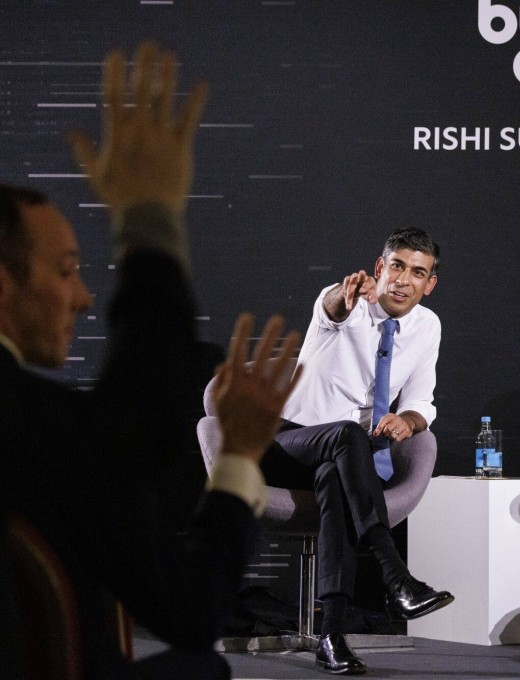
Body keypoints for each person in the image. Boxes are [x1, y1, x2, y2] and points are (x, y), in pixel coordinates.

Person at [1, 42, 303, 679]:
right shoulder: (43, 437)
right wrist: (150, 220)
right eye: (64, 270)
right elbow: (192, 608)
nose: (84, 298)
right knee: (205, 669)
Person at [260, 228, 453, 675]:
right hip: (287, 443)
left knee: (336, 477)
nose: (404, 281)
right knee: (347, 435)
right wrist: (343, 299)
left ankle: (330, 636)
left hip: (343, 462)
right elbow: (330, 308)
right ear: (381, 267)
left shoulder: (427, 327)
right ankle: (394, 573)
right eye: (398, 267)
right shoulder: (348, 302)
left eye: (418, 273)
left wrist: (409, 421)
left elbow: (422, 401)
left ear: (430, 284)